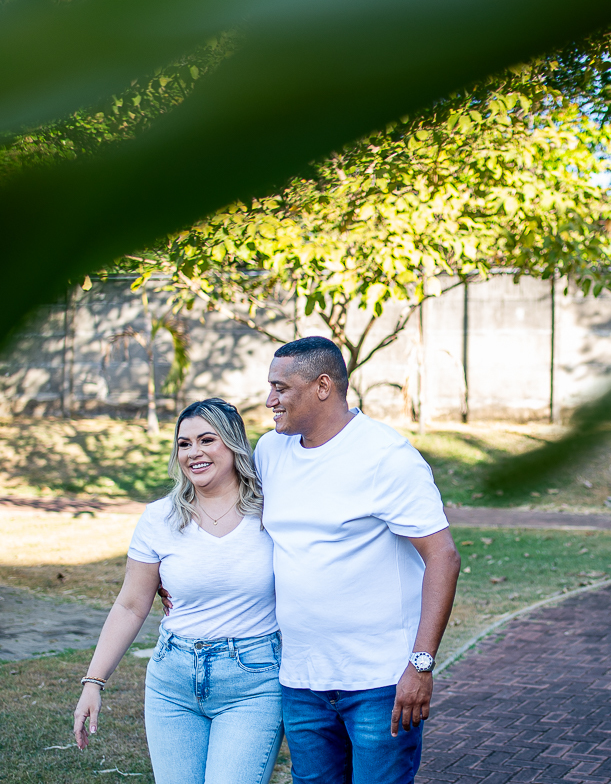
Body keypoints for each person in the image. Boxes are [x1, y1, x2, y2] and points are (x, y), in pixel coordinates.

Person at [256, 336, 460, 783]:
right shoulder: (269, 452)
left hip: (379, 684)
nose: (270, 400)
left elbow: (443, 557)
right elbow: (231, 516)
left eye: (281, 388)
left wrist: (421, 665)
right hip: (301, 680)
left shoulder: (387, 457)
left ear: (322, 386)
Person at [73, 399, 283, 784]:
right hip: (172, 682)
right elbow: (131, 605)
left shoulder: (273, 512)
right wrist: (93, 682)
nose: (193, 452)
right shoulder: (160, 517)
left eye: (207, 440)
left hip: (253, 685)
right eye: (184, 444)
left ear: (233, 443)